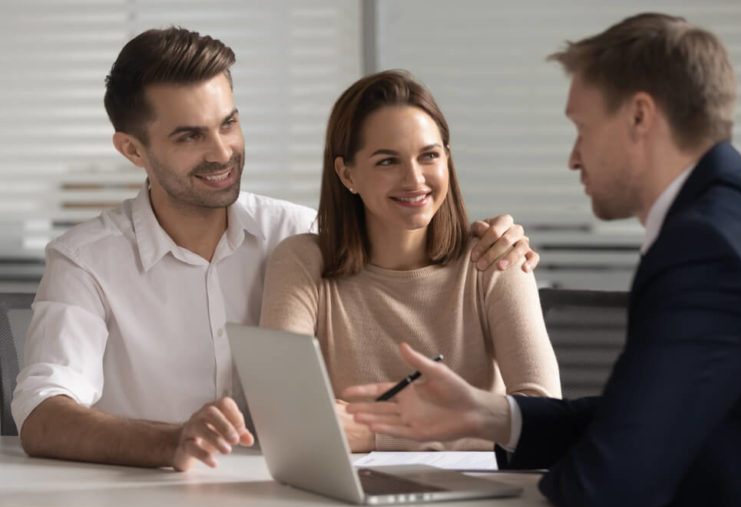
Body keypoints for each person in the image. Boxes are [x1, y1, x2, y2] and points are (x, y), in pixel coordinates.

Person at [11, 28, 538, 471]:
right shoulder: (86, 259)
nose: (222, 152)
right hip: (149, 493)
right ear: (132, 149)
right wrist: (169, 442)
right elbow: (42, 413)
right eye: (189, 136)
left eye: (229, 123)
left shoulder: (300, 234)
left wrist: (499, 243)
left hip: (286, 488)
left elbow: (405, 230)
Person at [345, 13, 741, 507]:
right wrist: (487, 414)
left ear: (639, 117)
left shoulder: (705, 249)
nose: (572, 157)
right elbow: (637, 420)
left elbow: (610, 484)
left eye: (582, 128)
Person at [259, 70, 561, 452]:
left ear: (447, 161)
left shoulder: (493, 259)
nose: (415, 179)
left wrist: (373, 433)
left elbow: (541, 417)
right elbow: (285, 414)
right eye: (388, 161)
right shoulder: (303, 262)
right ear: (347, 173)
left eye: (429, 156)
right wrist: (469, 430)